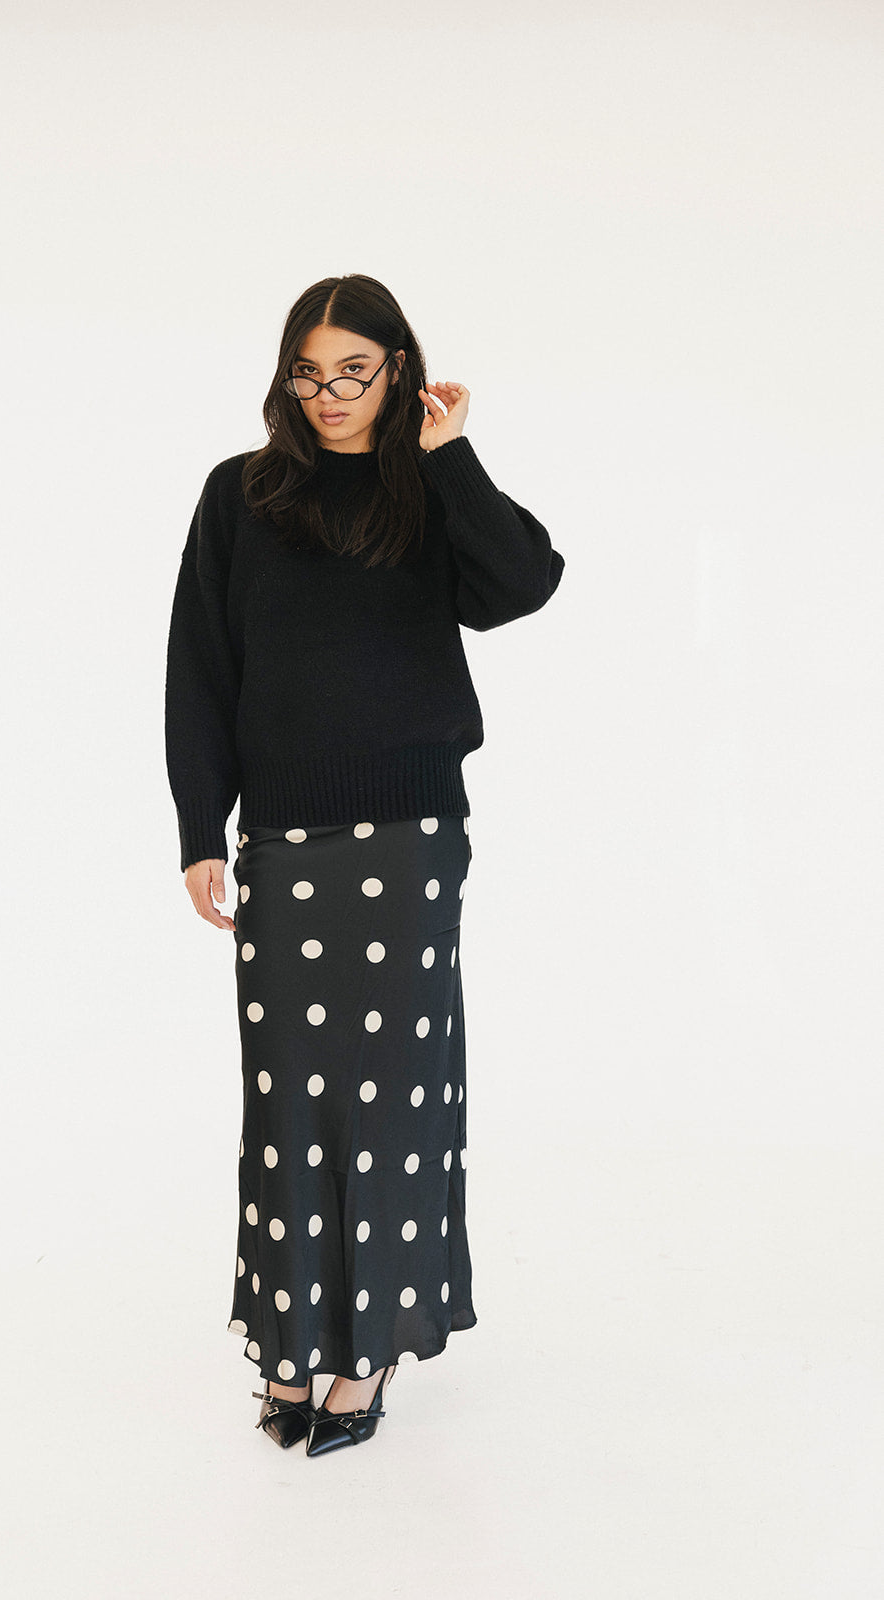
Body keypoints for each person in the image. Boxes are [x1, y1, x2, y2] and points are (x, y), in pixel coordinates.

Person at [164, 273, 565, 1456]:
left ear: (398, 371)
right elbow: (200, 665)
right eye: (308, 372)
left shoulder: (426, 490)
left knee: (392, 1102)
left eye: (353, 370)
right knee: (290, 1105)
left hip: (408, 841)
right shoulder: (239, 495)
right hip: (282, 845)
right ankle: (293, 1342)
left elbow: (523, 584)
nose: (328, 394)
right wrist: (200, 829)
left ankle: (367, 1354)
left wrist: (450, 456)